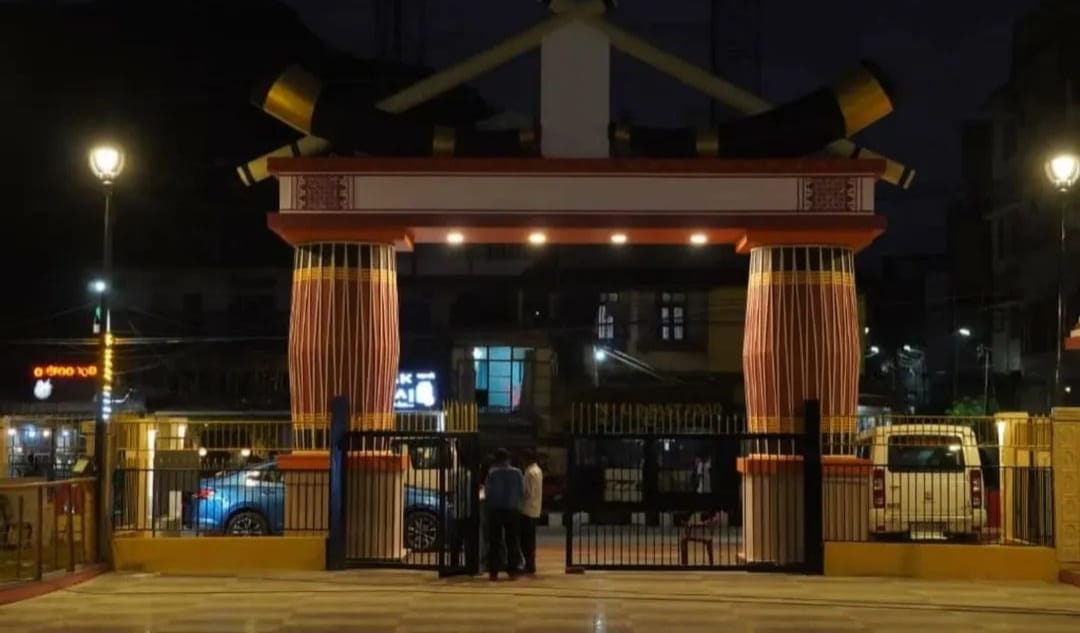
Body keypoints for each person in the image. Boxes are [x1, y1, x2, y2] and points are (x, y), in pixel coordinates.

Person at [483, 447, 523, 580]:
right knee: (512, 541)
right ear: (508, 459)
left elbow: (487, 492)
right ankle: (512, 570)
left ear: (496, 459)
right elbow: (521, 491)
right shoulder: (517, 473)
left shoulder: (492, 473)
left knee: (495, 542)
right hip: (512, 510)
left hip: (496, 511)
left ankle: (493, 572)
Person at [519, 449, 543, 575]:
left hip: (527, 509)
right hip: (535, 509)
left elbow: (527, 492)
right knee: (531, 540)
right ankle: (531, 564)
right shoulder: (538, 470)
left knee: (526, 541)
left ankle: (528, 565)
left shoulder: (529, 472)